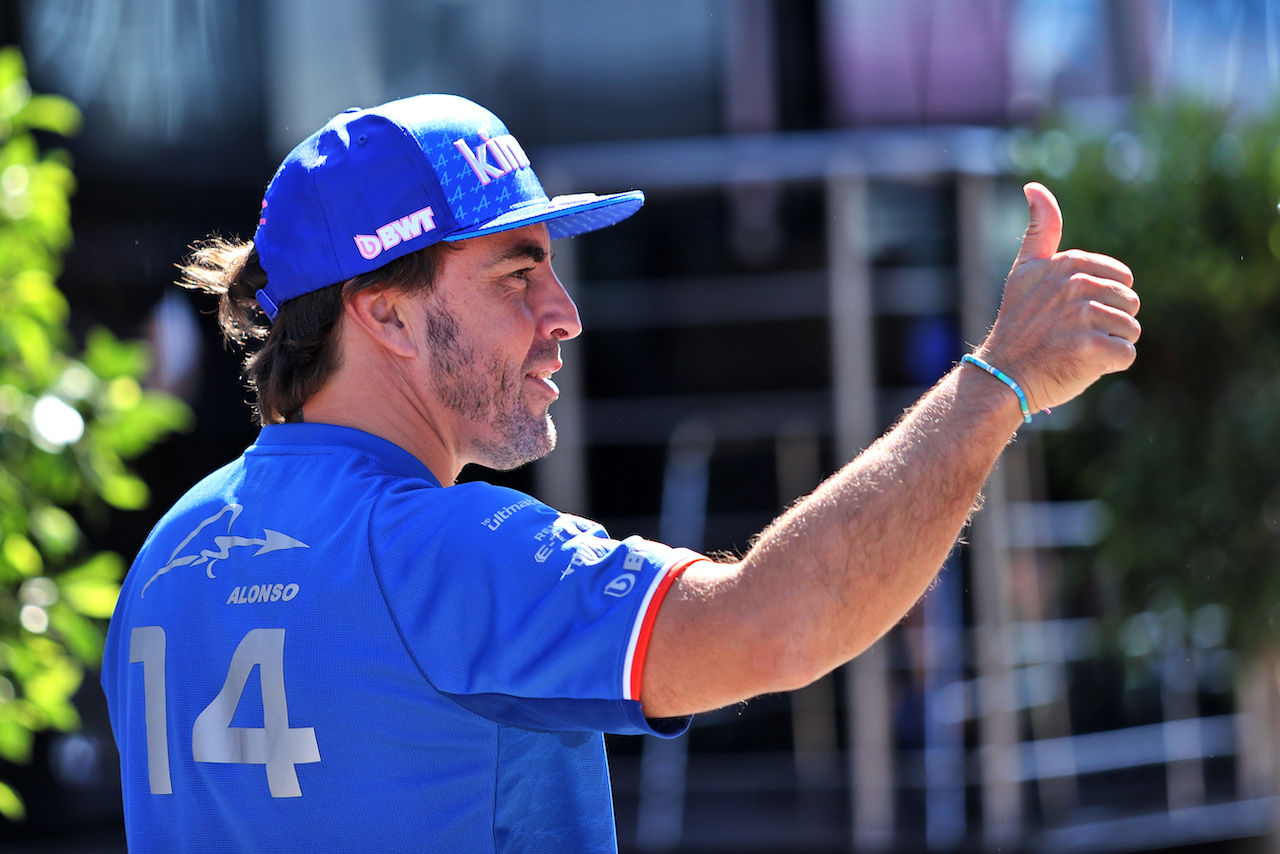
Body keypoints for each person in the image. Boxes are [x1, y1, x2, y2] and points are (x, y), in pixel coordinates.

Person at [101, 94, 1139, 852]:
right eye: (517, 272)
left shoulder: (167, 553)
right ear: (382, 310)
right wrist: (998, 379)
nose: (564, 314)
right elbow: (768, 624)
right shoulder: (441, 550)